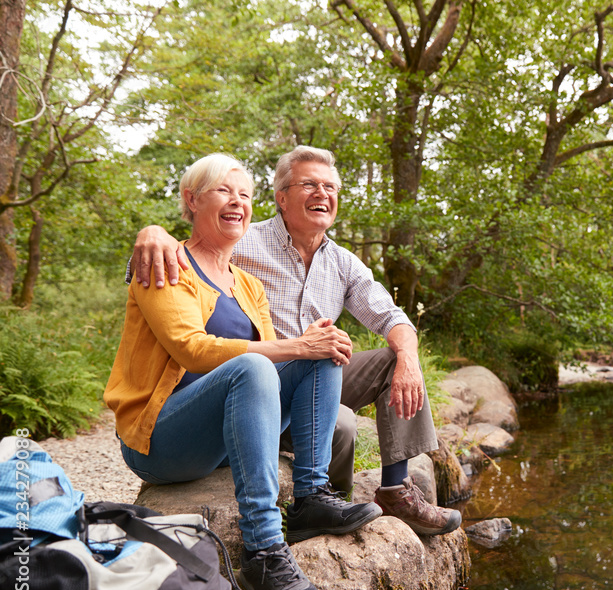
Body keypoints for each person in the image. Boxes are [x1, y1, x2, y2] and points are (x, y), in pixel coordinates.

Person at [105, 154, 382, 590]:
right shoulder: (168, 264)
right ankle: (264, 550)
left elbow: (279, 368)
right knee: (260, 362)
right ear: (191, 201)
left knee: (324, 349)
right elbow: (192, 350)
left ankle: (311, 497)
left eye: (245, 195)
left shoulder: (249, 284)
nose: (237, 202)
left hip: (219, 437)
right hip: (161, 438)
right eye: (222, 191)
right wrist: (150, 230)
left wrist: (312, 345)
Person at [130, 146, 461, 536]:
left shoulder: (343, 263)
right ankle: (315, 503)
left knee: (389, 355)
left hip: (309, 377)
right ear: (281, 198)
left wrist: (408, 356)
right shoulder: (244, 239)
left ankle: (389, 491)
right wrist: (153, 233)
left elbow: (391, 316)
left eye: (330, 187)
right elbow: (195, 248)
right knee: (343, 422)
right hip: (246, 380)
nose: (322, 194)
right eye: (309, 185)